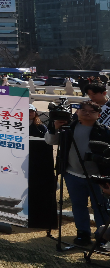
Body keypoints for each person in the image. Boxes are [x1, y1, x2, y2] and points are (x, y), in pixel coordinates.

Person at [46, 101, 110, 245]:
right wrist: (55, 128)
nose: (87, 113)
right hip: (72, 174)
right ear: (77, 112)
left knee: (100, 206)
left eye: (92, 111)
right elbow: (51, 141)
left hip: (98, 177)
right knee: (78, 205)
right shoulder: (68, 128)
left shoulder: (105, 131)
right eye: (83, 110)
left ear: (99, 115)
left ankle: (102, 236)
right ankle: (83, 233)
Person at [27, 104, 56, 228]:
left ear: (35, 113)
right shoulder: (17, 126)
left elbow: (47, 146)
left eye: (31, 111)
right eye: (27, 111)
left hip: (37, 163)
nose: (29, 113)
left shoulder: (41, 127)